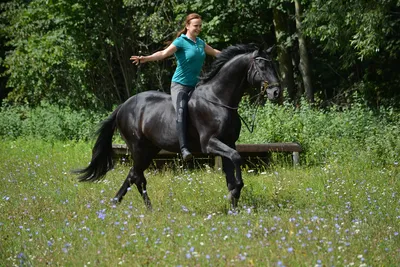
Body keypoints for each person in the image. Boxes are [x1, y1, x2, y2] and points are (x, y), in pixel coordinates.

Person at [130, 13, 220, 161]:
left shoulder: (200, 43)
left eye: (200, 26)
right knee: (181, 110)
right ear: (187, 26)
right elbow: (163, 54)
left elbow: (216, 53)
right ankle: (184, 148)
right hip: (180, 86)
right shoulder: (181, 42)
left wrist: (233, 57)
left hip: (196, 86)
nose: (198, 28)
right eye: (196, 26)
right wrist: (145, 59)